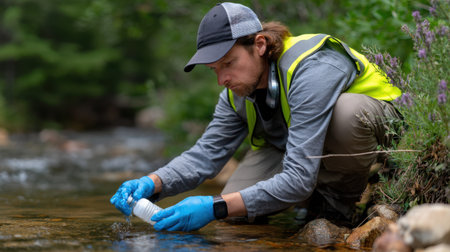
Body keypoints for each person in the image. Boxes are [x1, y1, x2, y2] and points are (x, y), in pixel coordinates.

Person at [110, 2, 403, 231]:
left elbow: (299, 177)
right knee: (236, 215)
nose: (222, 79)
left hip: (383, 131)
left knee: (345, 115)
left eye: (229, 63)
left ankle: (337, 208)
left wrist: (214, 207)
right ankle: (310, 203)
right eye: (214, 69)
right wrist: (152, 183)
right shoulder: (235, 93)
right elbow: (204, 156)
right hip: (300, 147)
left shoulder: (311, 67)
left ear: (260, 45)